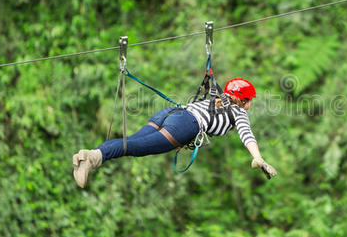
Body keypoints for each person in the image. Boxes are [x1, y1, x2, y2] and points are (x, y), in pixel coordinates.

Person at [72, 78, 278, 187]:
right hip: (184, 125)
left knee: (132, 142)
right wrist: (258, 158)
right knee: (133, 147)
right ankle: (92, 157)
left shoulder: (218, 98)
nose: (249, 105)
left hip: (171, 113)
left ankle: (91, 156)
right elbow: (247, 135)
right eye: (249, 100)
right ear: (242, 100)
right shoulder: (238, 112)